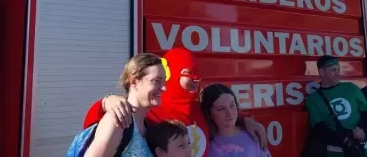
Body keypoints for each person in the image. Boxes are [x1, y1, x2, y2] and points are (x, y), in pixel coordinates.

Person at [86, 47, 268, 155]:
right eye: (188, 73)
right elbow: (94, 125)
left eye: (198, 73)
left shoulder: (199, 108)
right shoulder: (152, 109)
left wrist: (245, 119)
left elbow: (222, 112)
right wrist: (106, 102)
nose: (196, 79)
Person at [81, 53, 165, 157]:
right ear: (134, 82)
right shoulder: (118, 121)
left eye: (164, 81)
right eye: (156, 81)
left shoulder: (147, 126)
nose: (164, 88)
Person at [305, 55, 367, 157]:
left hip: (365, 149)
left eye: (338, 69)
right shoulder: (313, 100)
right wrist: (345, 138)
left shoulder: (351, 88)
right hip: (337, 152)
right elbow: (319, 129)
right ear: (322, 72)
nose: (338, 73)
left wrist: (361, 128)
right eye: (333, 70)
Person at [200, 84, 269, 157]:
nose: (229, 113)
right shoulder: (205, 143)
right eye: (221, 109)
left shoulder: (253, 135)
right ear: (209, 113)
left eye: (232, 105)